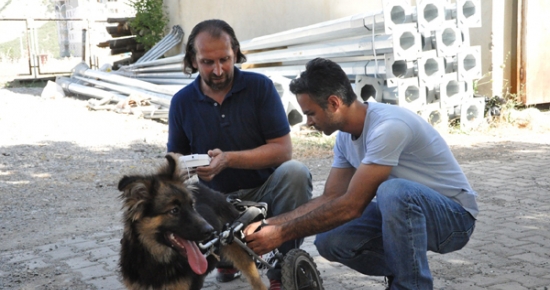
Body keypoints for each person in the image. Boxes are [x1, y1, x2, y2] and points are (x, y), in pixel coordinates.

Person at [244, 58, 478, 289]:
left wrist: (282, 233)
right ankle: (405, 273)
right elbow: (332, 198)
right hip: (406, 212)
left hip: (454, 218)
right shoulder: (345, 137)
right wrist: (269, 224)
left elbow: (352, 206)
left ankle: (411, 285)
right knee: (330, 240)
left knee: (393, 191)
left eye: (311, 113)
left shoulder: (388, 127)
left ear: (334, 103)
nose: (308, 122)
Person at [167, 19, 312, 289]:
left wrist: (229, 159)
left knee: (296, 173)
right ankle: (223, 256)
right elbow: (174, 168)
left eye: (225, 59)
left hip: (266, 192)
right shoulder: (181, 102)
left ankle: (280, 270)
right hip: (215, 201)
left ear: (236, 52)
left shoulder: (260, 87)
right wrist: (191, 167)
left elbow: (283, 150)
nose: (218, 70)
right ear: (193, 60)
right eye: (208, 62)